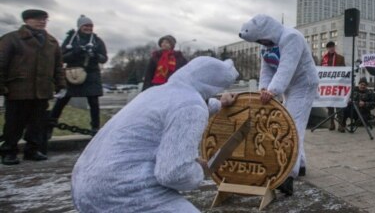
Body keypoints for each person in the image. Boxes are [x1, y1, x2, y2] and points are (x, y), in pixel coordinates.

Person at [71, 57, 239, 212]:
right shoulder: (191, 106)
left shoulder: (155, 93)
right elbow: (174, 174)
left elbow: (179, 108)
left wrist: (219, 104)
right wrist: (200, 170)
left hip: (84, 183)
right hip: (120, 191)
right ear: (214, 86)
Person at [238, 14, 319, 196]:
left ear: (268, 31)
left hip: (304, 85)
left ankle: (287, 175)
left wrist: (273, 90)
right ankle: (301, 164)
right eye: (259, 41)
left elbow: (286, 68)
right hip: (290, 86)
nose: (262, 43)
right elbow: (266, 69)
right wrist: (264, 89)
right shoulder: (267, 46)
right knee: (292, 123)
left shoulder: (291, 37)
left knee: (291, 126)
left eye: (262, 39)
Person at [0, 9, 65, 165]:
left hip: (42, 90)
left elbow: (58, 66)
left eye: (44, 19)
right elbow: (1, 63)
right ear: (27, 20)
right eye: (37, 19)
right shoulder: (11, 39)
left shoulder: (51, 42)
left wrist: (60, 84)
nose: (42, 22)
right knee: (14, 123)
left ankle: (32, 150)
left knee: (37, 123)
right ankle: (9, 151)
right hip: (18, 89)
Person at [50, 15, 108, 136]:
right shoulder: (70, 39)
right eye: (86, 26)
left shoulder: (97, 40)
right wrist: (76, 52)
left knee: (93, 102)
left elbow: (104, 58)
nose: (88, 28)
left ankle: (95, 127)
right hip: (73, 72)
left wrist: (95, 56)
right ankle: (50, 124)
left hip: (91, 73)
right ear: (80, 26)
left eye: (90, 26)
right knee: (62, 100)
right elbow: (62, 57)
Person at [320, 41, 345, 131]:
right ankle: (331, 123)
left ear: (334, 47)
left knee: (339, 105)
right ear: (327, 48)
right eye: (329, 47)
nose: (331, 48)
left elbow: (344, 71)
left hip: (338, 85)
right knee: (330, 105)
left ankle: (341, 124)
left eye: (332, 46)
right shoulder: (323, 59)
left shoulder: (340, 58)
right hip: (328, 85)